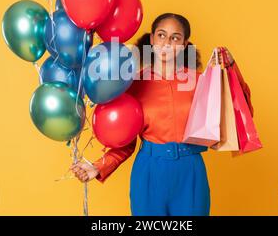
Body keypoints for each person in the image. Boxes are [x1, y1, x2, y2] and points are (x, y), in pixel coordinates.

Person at [70, 13, 254, 215]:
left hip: (190, 173)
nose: (167, 43)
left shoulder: (201, 81)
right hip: (149, 173)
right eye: (161, 35)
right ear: (151, 39)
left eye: (175, 37)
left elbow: (241, 112)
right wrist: (98, 167)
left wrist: (231, 69)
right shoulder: (133, 84)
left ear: (184, 45)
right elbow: (126, 141)